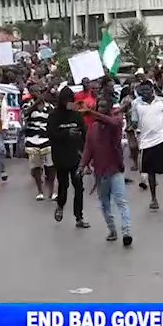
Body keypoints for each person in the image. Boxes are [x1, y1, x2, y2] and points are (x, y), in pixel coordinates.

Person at [82, 95, 133, 246]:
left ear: (110, 110)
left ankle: (126, 232)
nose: (100, 109)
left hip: (115, 170)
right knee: (104, 204)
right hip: (100, 172)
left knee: (121, 201)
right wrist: (82, 165)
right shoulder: (93, 129)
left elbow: (111, 120)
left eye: (104, 107)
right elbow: (88, 149)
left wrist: (92, 113)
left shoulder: (116, 123)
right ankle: (112, 230)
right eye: (99, 106)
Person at [131, 81, 163, 210]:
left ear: (152, 89)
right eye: (143, 91)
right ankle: (153, 198)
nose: (145, 93)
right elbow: (134, 121)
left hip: (162, 139)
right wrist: (133, 124)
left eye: (147, 90)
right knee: (151, 172)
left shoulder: (162, 101)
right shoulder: (136, 104)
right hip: (146, 142)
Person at [47, 87, 89, 228]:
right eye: (66, 100)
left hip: (76, 156)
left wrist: (86, 155)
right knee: (63, 185)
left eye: (71, 100)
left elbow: (85, 134)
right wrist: (66, 134)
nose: (69, 103)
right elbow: (51, 135)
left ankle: (79, 217)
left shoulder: (76, 115)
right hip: (60, 157)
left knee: (79, 187)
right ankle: (60, 205)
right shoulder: (54, 116)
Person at [23, 85, 56, 201]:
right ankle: (40, 191)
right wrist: (36, 102)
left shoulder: (49, 106)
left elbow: (54, 118)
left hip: (47, 141)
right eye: (33, 91)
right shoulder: (27, 104)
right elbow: (25, 113)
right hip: (32, 141)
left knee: (51, 167)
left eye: (38, 90)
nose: (36, 92)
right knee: (36, 168)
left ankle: (51, 192)